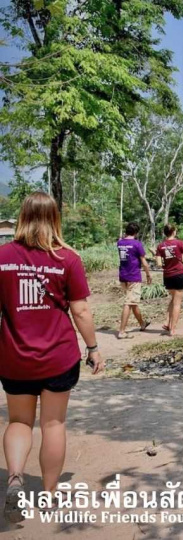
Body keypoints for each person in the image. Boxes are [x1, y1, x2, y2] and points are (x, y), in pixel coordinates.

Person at [0, 192, 103, 523]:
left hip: (14, 357)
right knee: (53, 423)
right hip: (58, 357)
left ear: (22, 217)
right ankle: (48, 495)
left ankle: (15, 476)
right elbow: (81, 310)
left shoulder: (2, 257)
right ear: (54, 218)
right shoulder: (67, 259)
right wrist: (93, 348)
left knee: (18, 422)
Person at [156, 224, 183, 337]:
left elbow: (159, 264)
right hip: (178, 274)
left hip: (167, 276)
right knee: (177, 303)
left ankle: (167, 323)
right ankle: (172, 329)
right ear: (173, 231)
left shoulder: (160, 246)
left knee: (173, 298)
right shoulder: (179, 243)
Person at [117, 222, 152, 340]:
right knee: (129, 303)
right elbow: (144, 262)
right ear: (136, 233)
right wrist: (148, 274)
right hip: (134, 276)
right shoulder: (137, 244)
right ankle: (122, 331)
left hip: (123, 276)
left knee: (132, 301)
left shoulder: (120, 243)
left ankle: (142, 323)